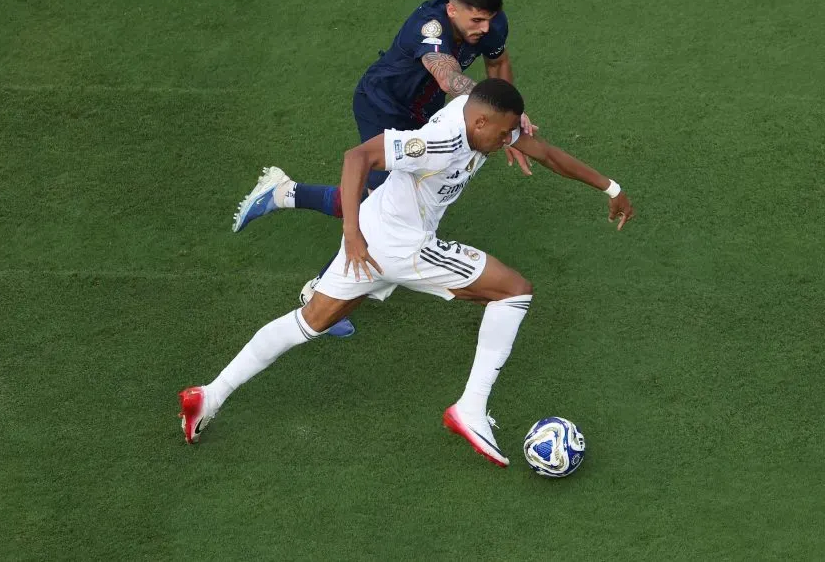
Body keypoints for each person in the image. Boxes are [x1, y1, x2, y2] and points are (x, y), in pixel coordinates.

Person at [179, 79, 634, 467]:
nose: (507, 143)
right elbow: (357, 157)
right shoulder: (439, 142)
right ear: (479, 124)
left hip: (380, 233)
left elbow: (545, 152)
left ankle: (209, 395)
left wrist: (610, 187)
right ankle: (470, 409)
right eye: (502, 135)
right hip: (400, 244)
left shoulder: (484, 118)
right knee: (514, 292)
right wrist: (351, 232)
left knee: (309, 322)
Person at [230, 0, 535, 337]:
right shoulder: (429, 28)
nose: (484, 28)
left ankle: (282, 192)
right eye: (476, 19)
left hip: (421, 117)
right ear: (453, 10)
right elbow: (447, 75)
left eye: (489, 19)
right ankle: (320, 288)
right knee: (377, 202)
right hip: (382, 107)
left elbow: (498, 63)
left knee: (383, 201)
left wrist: (510, 115)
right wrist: (496, 113)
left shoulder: (490, 25)